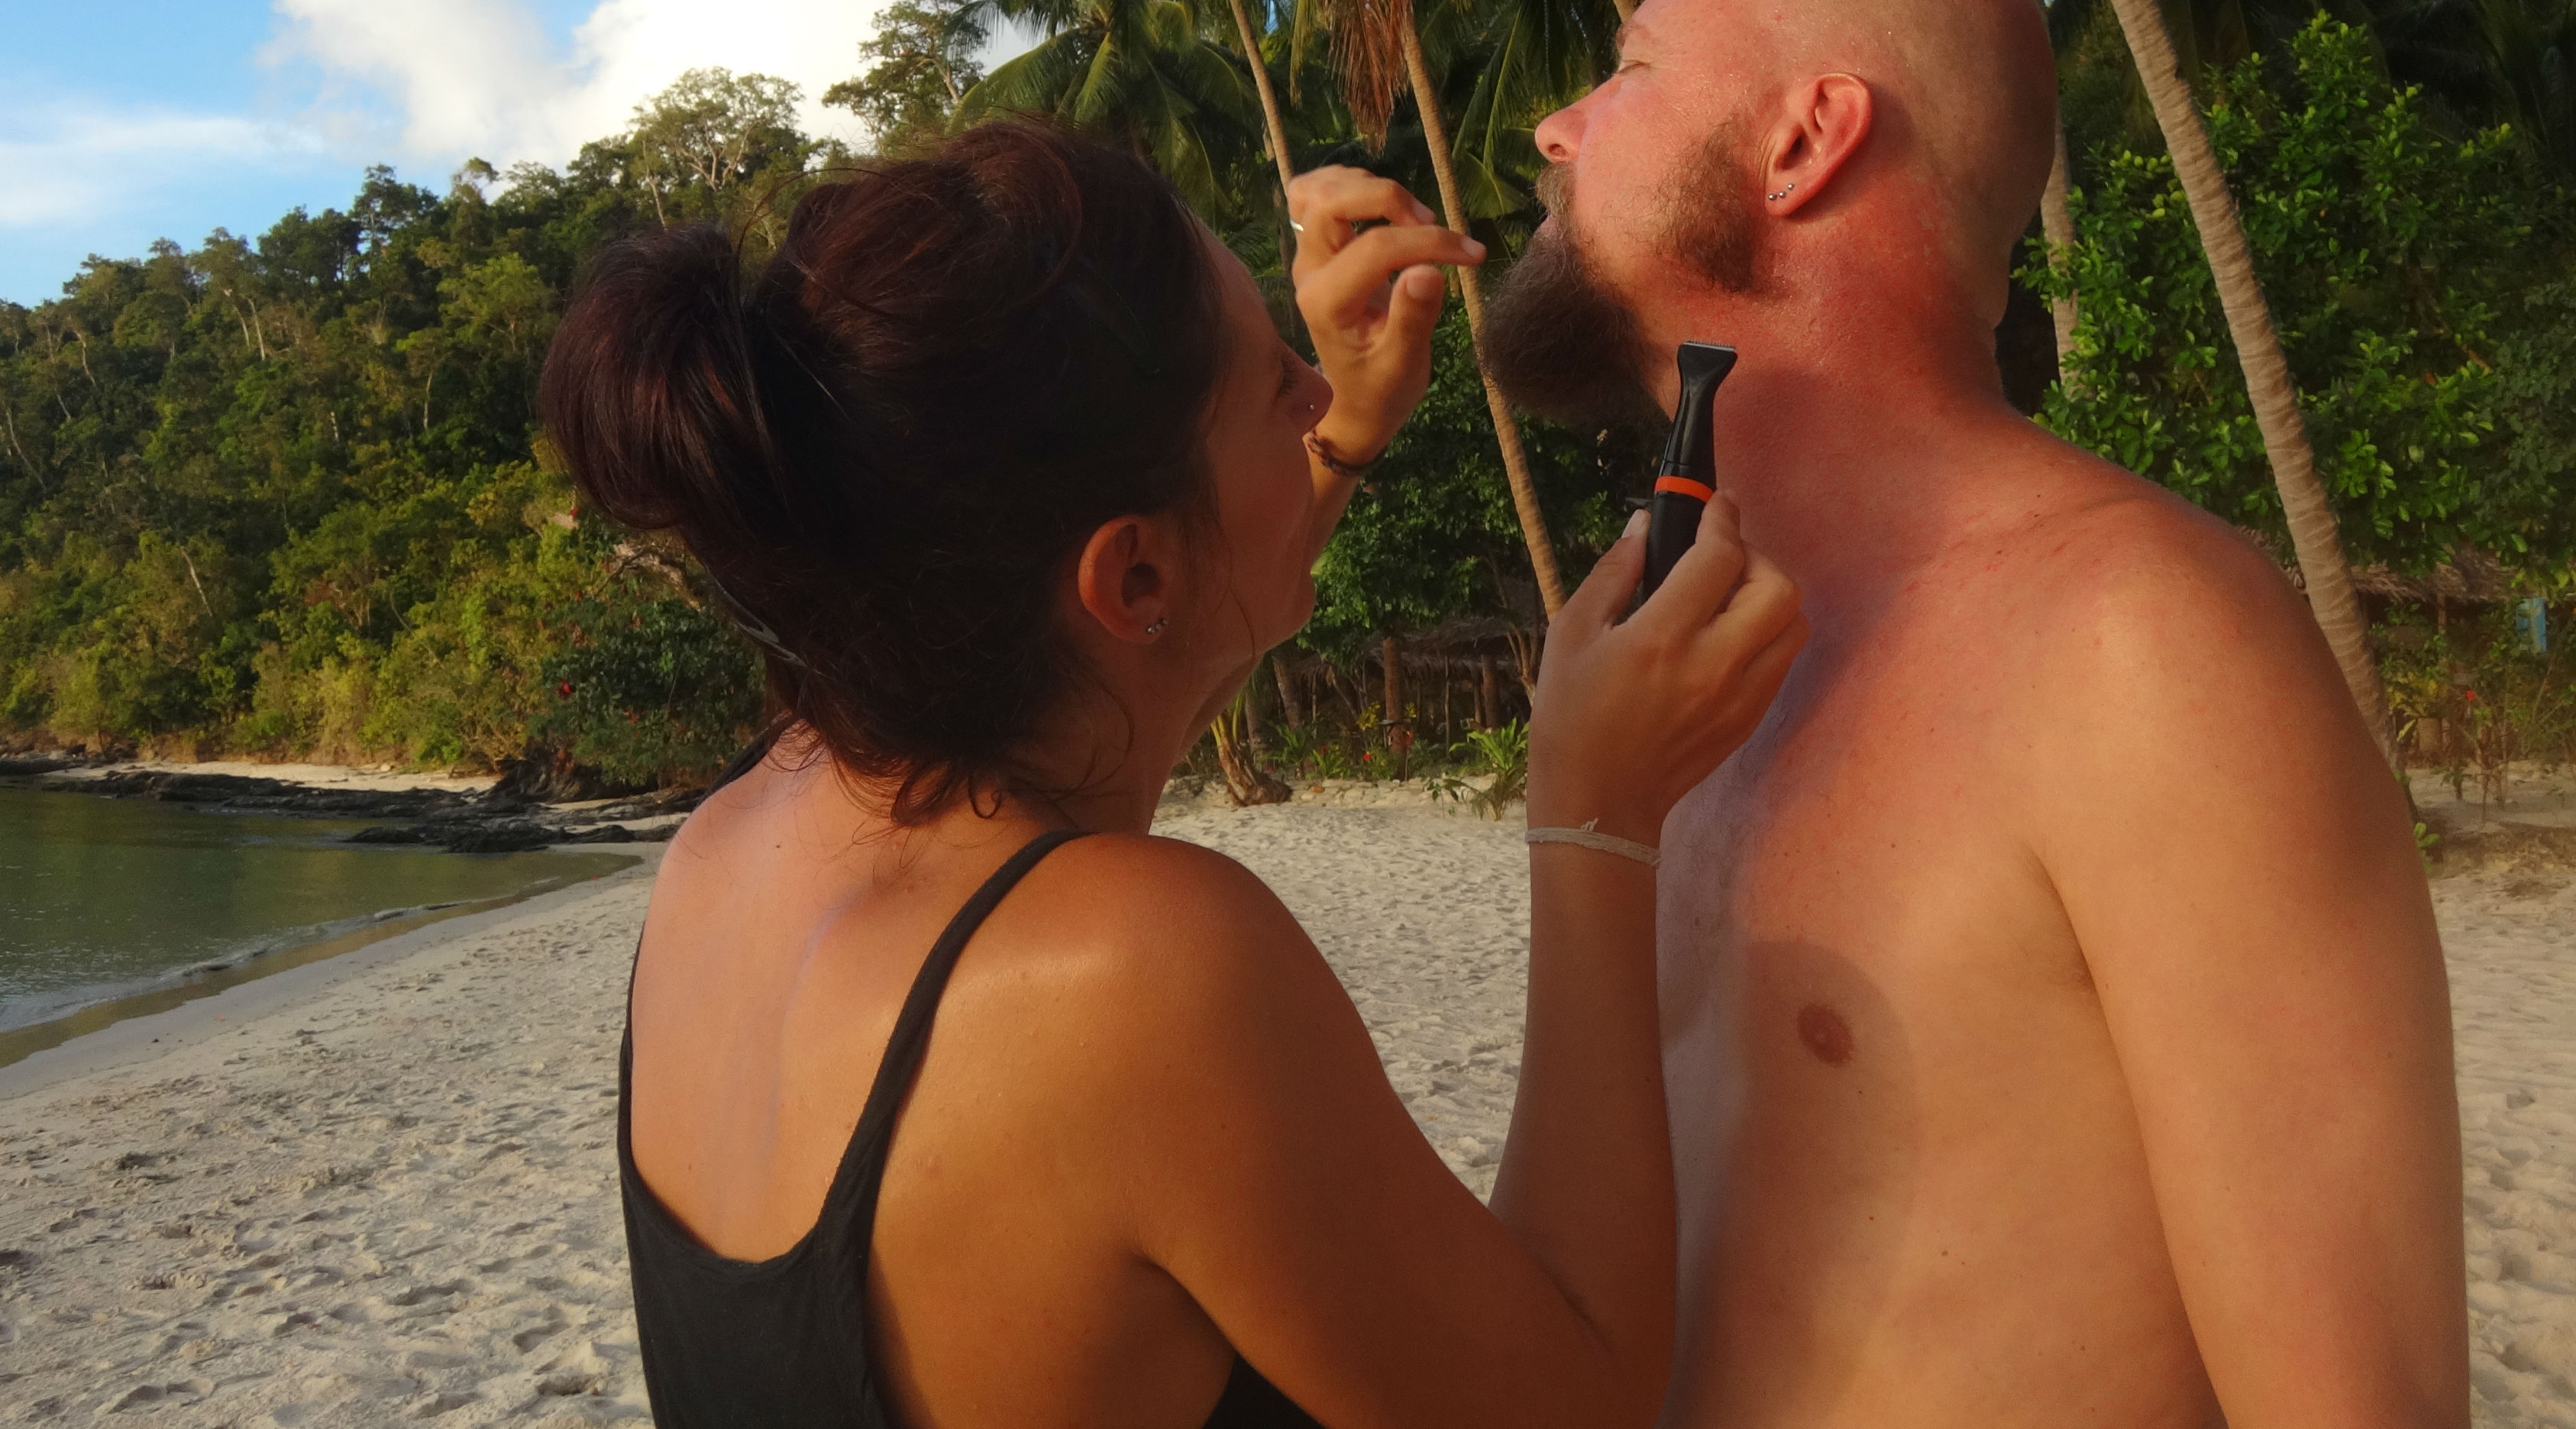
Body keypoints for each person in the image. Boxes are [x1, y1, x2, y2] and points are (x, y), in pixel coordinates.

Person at [539, 118, 1805, 1429]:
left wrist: (1349, 428)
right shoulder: (1130, 972)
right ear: (1130, 572)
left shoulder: (739, 833)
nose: (1316, 391)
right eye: (1277, 384)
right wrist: (1595, 820)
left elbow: (1130, 659)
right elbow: (1577, 1406)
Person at [1484, 0, 2467, 1428]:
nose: (1556, 127)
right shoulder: (1665, 672)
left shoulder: (2138, 645)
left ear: (1806, 141)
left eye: (1630, 69)